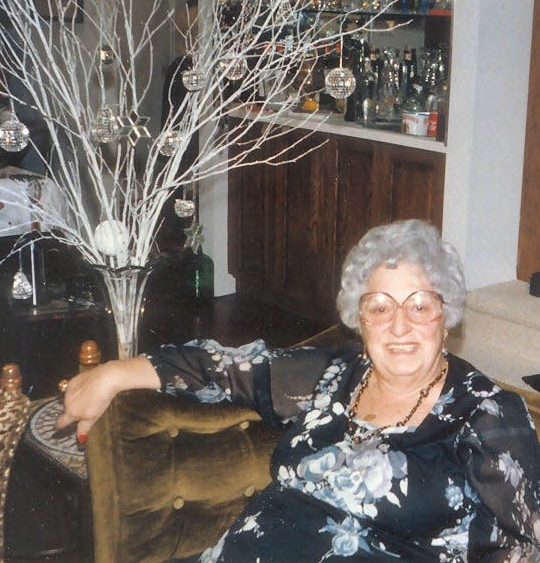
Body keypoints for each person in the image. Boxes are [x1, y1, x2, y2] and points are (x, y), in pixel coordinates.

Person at [57, 219, 540, 562]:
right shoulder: (335, 373)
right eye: (379, 307)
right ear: (358, 319)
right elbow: (229, 366)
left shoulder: (488, 413)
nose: (399, 326)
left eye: (419, 305)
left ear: (446, 314)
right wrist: (115, 374)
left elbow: (527, 542)